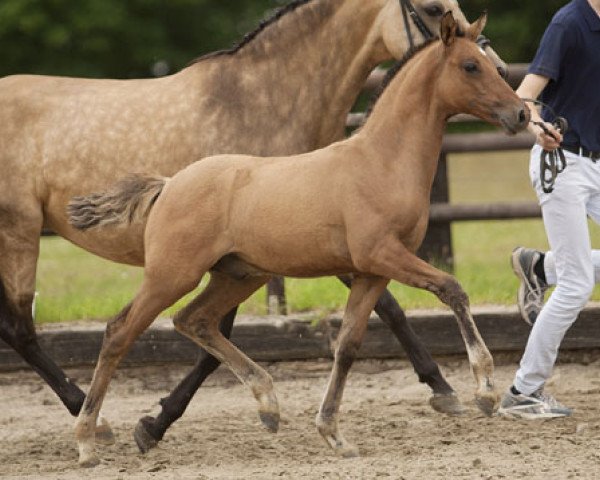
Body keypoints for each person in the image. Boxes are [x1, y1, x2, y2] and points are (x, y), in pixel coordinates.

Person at [499, 0, 600, 419]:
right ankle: (524, 390)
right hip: (561, 165)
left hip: (596, 162)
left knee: (572, 276)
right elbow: (523, 98)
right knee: (578, 287)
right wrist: (535, 127)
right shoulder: (569, 23)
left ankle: (543, 268)